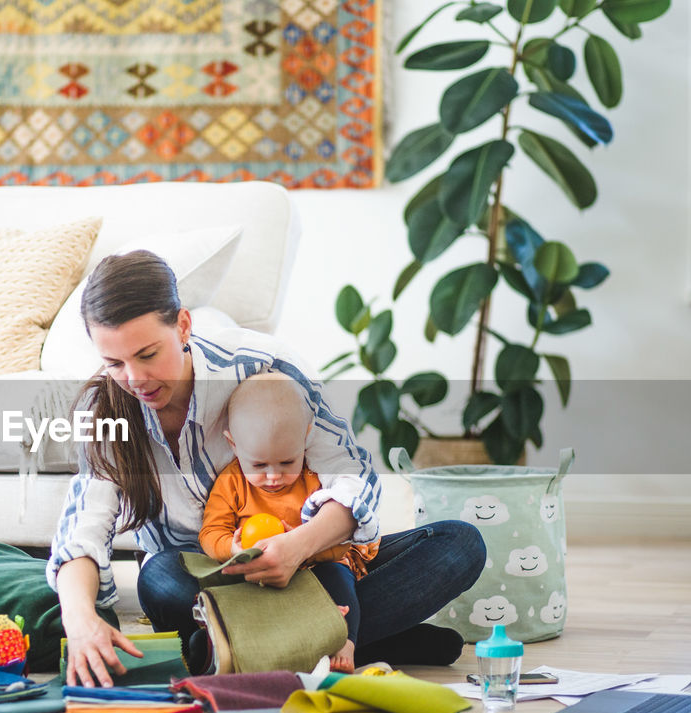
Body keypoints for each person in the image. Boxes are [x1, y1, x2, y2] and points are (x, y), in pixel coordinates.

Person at [46, 250, 485, 688]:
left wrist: (297, 546)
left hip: (309, 565)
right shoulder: (104, 408)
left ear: (182, 326)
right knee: (158, 576)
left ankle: (238, 649)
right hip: (205, 580)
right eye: (114, 363)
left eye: (147, 354)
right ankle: (345, 639)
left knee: (458, 544)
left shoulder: (266, 367)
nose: (134, 378)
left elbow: (351, 477)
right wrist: (81, 621)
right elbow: (84, 527)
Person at [198, 370, 377, 673]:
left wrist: (303, 545)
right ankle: (297, 638)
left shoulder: (315, 480)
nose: (273, 476)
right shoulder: (231, 482)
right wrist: (232, 546)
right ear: (232, 444)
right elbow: (211, 533)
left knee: (338, 575)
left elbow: (339, 547)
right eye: (258, 464)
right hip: (257, 582)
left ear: (306, 439)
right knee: (166, 578)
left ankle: (344, 640)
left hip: (315, 575)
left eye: (286, 462)